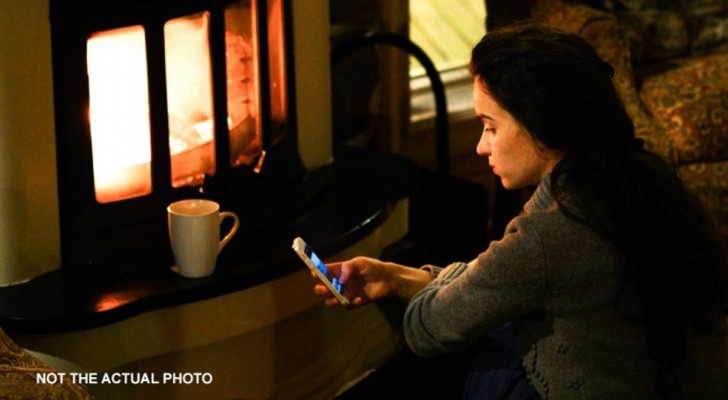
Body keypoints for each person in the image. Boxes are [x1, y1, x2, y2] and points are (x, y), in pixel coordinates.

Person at [314, 24, 728, 399]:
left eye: (490, 126)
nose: (480, 146)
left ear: (541, 123)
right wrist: (399, 276)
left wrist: (416, 288)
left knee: (427, 364)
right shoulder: (641, 178)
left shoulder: (555, 229)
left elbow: (431, 327)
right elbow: (497, 281)